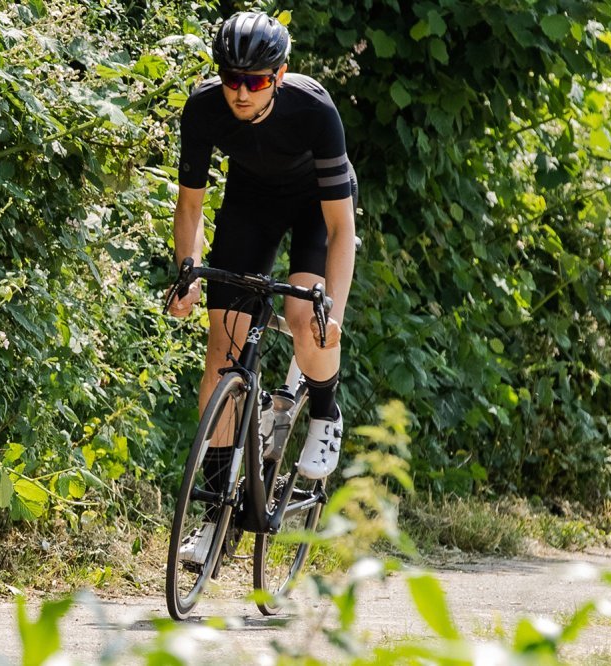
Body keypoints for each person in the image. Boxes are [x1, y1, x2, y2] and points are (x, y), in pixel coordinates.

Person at [163, 11, 359, 566]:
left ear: (280, 75)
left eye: (256, 81)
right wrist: (188, 271)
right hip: (251, 202)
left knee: (306, 320)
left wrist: (332, 310)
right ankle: (214, 516)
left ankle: (324, 409)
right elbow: (192, 206)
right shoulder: (203, 109)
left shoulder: (314, 109)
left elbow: (343, 229)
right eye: (231, 79)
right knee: (221, 356)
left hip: (316, 208)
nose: (242, 92)